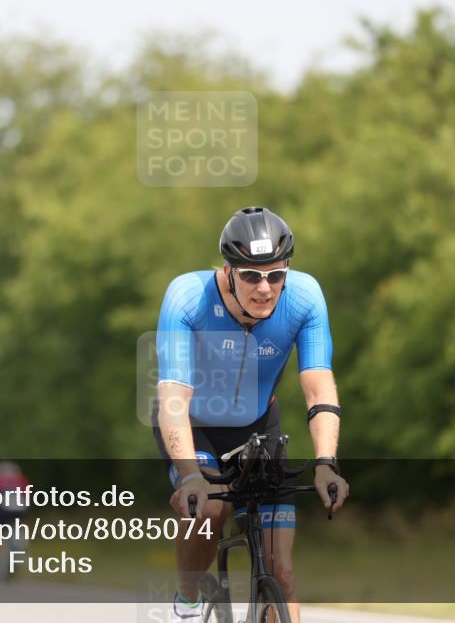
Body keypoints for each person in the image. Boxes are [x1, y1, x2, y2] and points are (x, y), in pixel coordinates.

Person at [153, 207, 349, 623]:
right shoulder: (187, 297)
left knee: (282, 572)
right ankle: (186, 603)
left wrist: (327, 464)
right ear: (228, 271)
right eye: (251, 276)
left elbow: (319, 386)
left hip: (258, 426)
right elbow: (173, 396)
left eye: (276, 275)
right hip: (194, 426)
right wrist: (189, 474)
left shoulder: (305, 298)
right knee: (208, 510)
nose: (265, 288)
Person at [0, 461, 30, 578]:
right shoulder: (21, 479)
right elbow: (27, 496)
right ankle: (20, 545)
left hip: (3, 510)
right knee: (20, 527)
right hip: (20, 509)